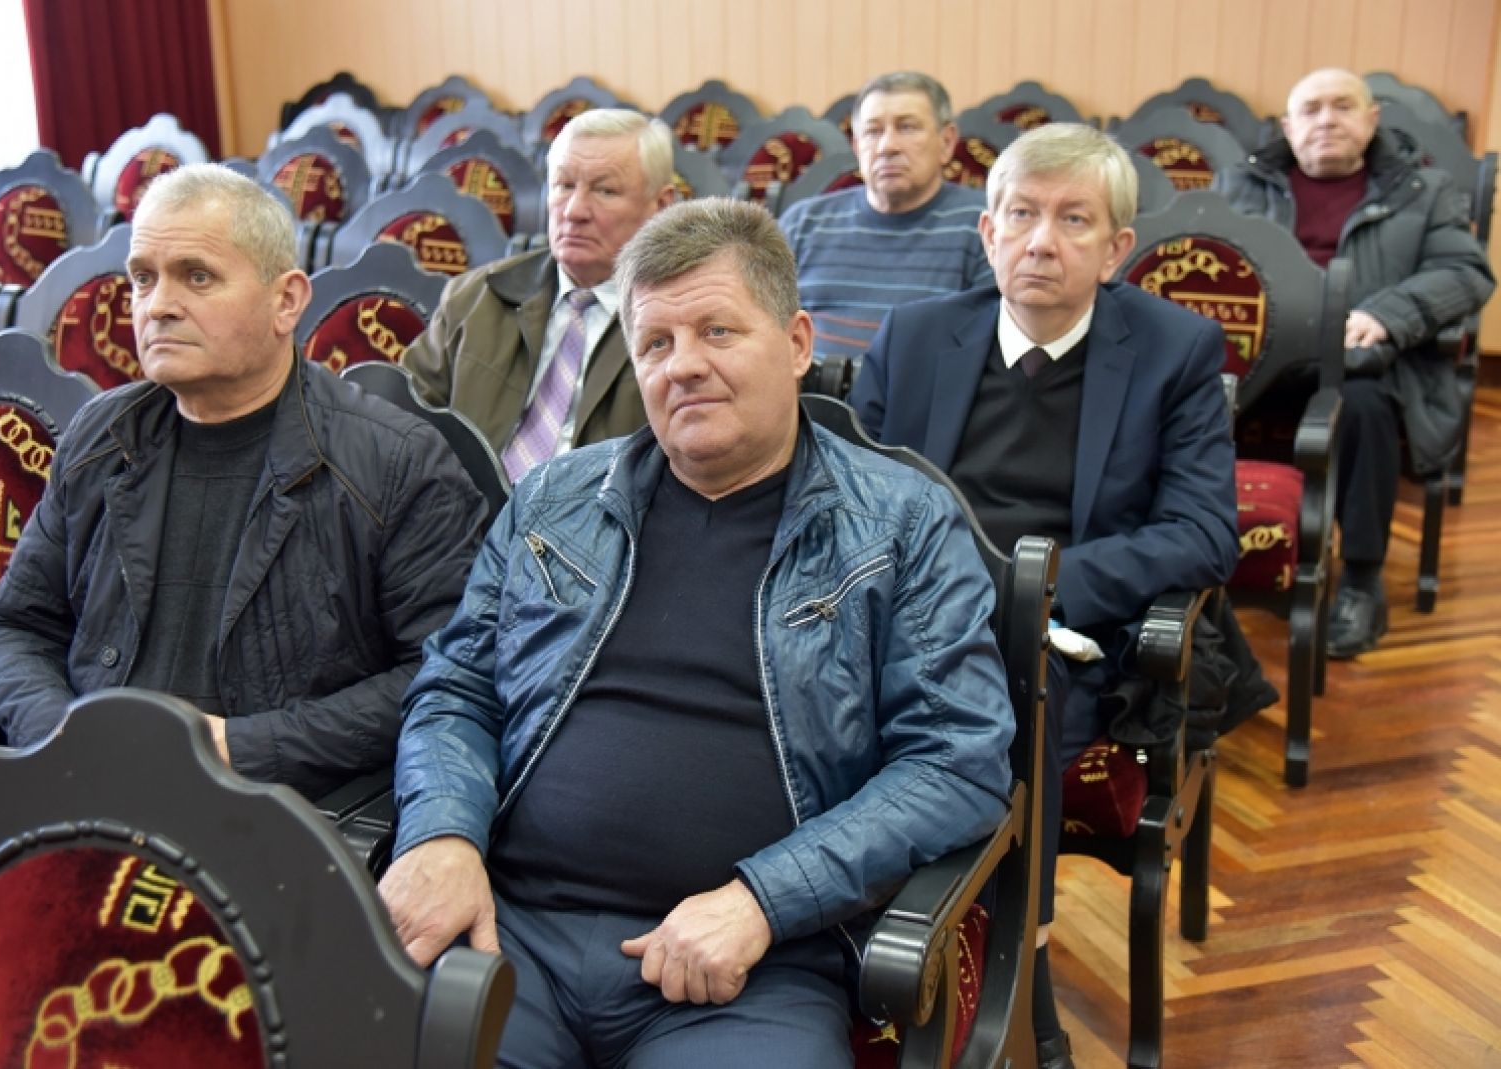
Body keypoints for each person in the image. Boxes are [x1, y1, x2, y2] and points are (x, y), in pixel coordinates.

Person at [378, 198, 1015, 1068]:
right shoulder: (553, 498)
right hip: (513, 925)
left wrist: (762, 899)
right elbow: (456, 688)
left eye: (717, 331)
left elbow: (955, 760)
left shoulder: (902, 525)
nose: (683, 365)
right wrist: (443, 832)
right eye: (655, 343)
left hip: (756, 964)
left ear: (797, 343)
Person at [850, 123, 1240, 1069]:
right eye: (1021, 215)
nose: (1040, 241)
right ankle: (869, 956)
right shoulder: (915, 336)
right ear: (987, 232)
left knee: (1000, 704)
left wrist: (1035, 590)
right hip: (906, 618)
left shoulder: (1176, 350)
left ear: (1115, 249)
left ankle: (1012, 981)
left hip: (1067, 635)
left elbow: (1203, 532)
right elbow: (846, 495)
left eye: (1073, 220)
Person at [0, 163, 487, 800]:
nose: (158, 305)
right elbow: (14, 625)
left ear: (287, 301)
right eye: (142, 278)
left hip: (279, 809)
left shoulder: (397, 461)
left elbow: (445, 673)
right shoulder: (99, 436)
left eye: (197, 276)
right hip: (88, 790)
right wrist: (65, 736)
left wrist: (238, 748)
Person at [1215, 67, 1494, 657]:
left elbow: (1466, 272)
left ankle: (1362, 582)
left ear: (1372, 120)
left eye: (1343, 106)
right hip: (1260, 361)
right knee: (1191, 400)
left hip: (1364, 363)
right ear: (1288, 127)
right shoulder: (1239, 184)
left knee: (1363, 408)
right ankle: (1202, 564)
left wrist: (1389, 314)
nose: (1327, 120)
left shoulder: (1422, 190)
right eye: (1311, 109)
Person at [401, 109, 675, 481]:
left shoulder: (677, 320)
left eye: (605, 190)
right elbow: (403, 423)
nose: (574, 211)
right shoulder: (476, 296)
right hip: (463, 507)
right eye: (563, 185)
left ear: (661, 205)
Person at [778, 71, 993, 363]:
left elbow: (984, 350)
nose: (887, 146)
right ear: (857, 146)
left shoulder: (984, 227)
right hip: (805, 389)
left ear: (946, 142)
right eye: (873, 131)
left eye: (907, 127)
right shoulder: (802, 224)